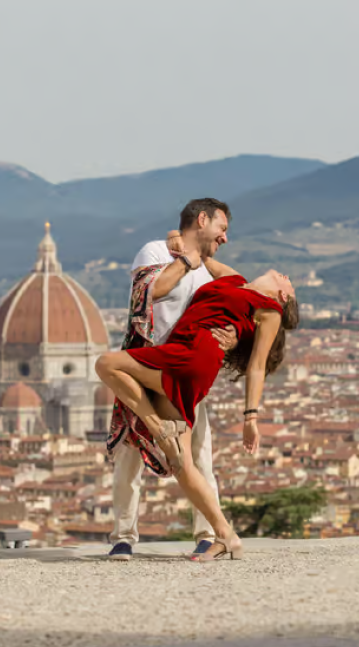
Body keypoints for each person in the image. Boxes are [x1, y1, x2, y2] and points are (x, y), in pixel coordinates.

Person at [96, 249, 299, 562]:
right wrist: (177, 240)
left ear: (282, 297)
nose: (286, 276)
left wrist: (251, 417)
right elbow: (202, 255)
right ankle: (226, 536)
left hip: (193, 358)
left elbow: (257, 366)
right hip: (181, 356)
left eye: (289, 283)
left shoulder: (269, 310)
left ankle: (155, 425)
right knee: (181, 464)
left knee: (107, 364)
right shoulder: (234, 280)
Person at [106, 198, 236, 562]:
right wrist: (185, 261)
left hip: (185, 373)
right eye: (222, 228)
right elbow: (148, 293)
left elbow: (234, 306)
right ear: (202, 219)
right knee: (129, 456)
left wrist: (233, 338)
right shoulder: (155, 251)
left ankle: (207, 534)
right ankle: (123, 537)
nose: (225, 238)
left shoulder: (211, 270)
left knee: (200, 456)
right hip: (144, 364)